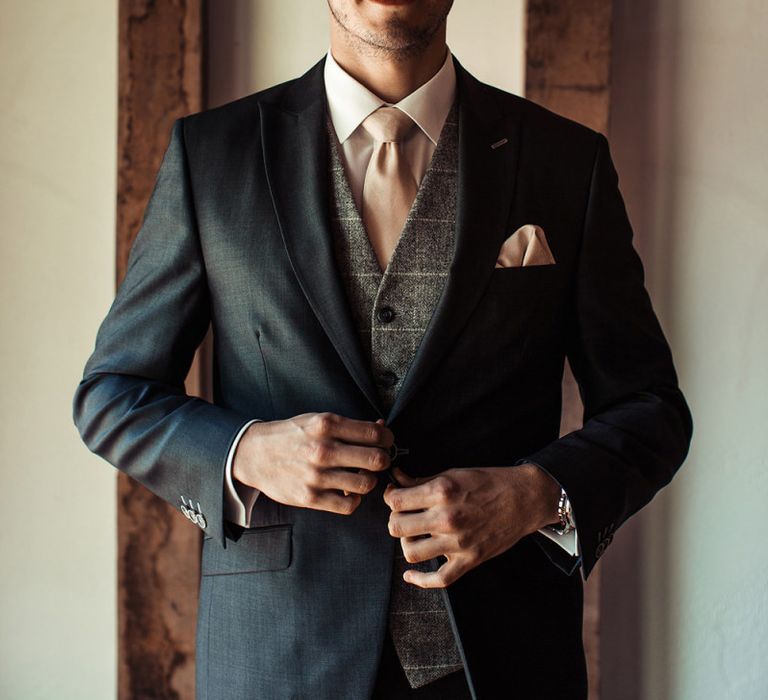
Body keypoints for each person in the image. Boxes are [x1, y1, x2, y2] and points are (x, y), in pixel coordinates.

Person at [73, 1, 693, 698]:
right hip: (279, 659)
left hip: (503, 660)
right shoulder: (213, 155)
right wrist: (245, 452)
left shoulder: (564, 162)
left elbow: (652, 409)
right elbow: (113, 394)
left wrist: (533, 496)